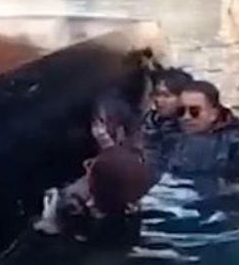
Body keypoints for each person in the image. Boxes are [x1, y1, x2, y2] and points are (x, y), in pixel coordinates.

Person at [34, 96, 151, 241]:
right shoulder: (130, 207)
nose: (86, 165)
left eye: (90, 167)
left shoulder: (72, 207)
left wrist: (49, 219)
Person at [165, 80, 239, 194]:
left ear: (213, 114)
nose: (186, 117)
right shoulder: (171, 138)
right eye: (181, 111)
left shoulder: (237, 144)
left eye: (194, 111)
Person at [142, 68, 193, 182]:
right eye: (157, 94)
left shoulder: (191, 130)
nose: (159, 100)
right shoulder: (148, 122)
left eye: (166, 95)